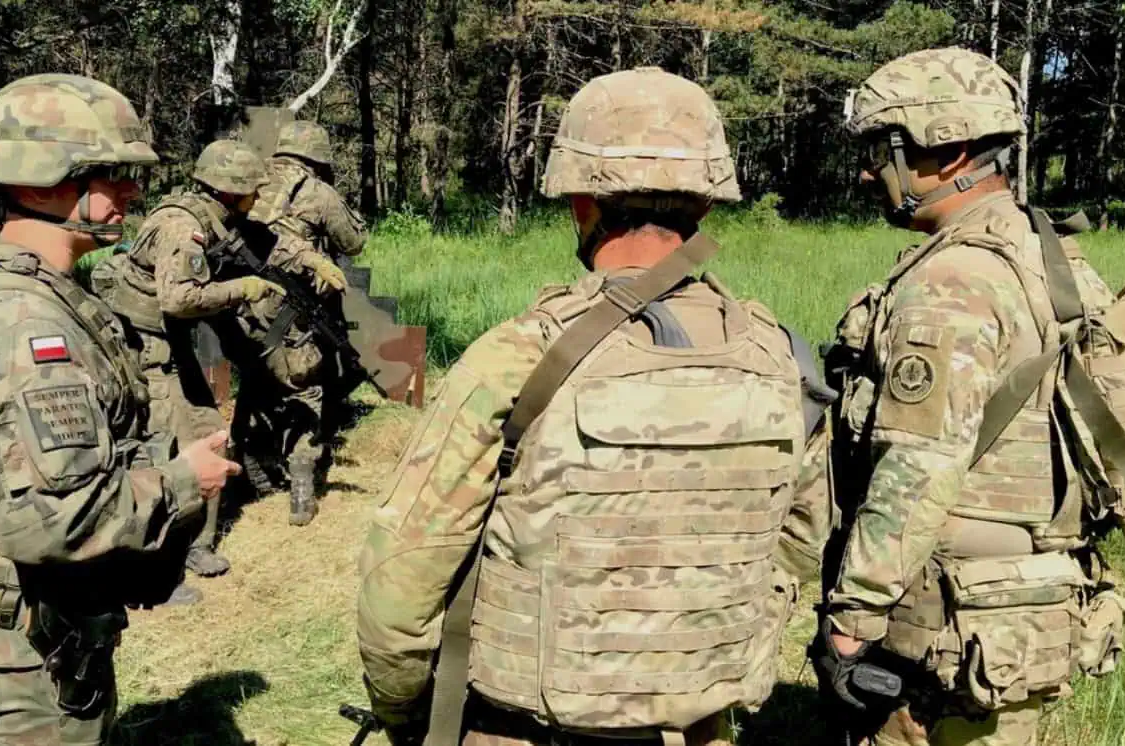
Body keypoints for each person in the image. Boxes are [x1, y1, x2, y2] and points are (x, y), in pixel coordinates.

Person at [356, 66, 834, 746]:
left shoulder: (519, 356)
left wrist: (405, 714)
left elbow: (401, 582)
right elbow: (798, 546)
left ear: (581, 200)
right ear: (706, 204)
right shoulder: (786, 360)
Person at [813, 47, 1125, 746]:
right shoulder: (1045, 253)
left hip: (945, 616)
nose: (868, 172)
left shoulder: (954, 282)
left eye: (881, 151)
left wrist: (851, 621)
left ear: (948, 152)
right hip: (1024, 601)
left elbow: (919, 463)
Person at [0, 73, 242, 745]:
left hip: (17, 619)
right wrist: (184, 482)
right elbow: (52, 523)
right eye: (110, 174)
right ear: (39, 184)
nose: (132, 191)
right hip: (25, 648)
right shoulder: (27, 330)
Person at [95, 139, 282, 579]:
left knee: (207, 432)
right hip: (145, 351)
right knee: (161, 447)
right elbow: (179, 299)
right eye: (252, 189)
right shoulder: (184, 228)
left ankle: (195, 544)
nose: (257, 198)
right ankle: (156, 562)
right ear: (230, 189)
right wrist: (244, 288)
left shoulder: (211, 218)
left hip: (168, 344)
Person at [230, 120, 368, 526]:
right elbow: (354, 243)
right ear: (317, 158)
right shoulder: (317, 192)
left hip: (241, 306)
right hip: (293, 311)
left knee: (256, 380)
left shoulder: (249, 181)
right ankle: (302, 482)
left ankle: (249, 470)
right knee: (306, 391)